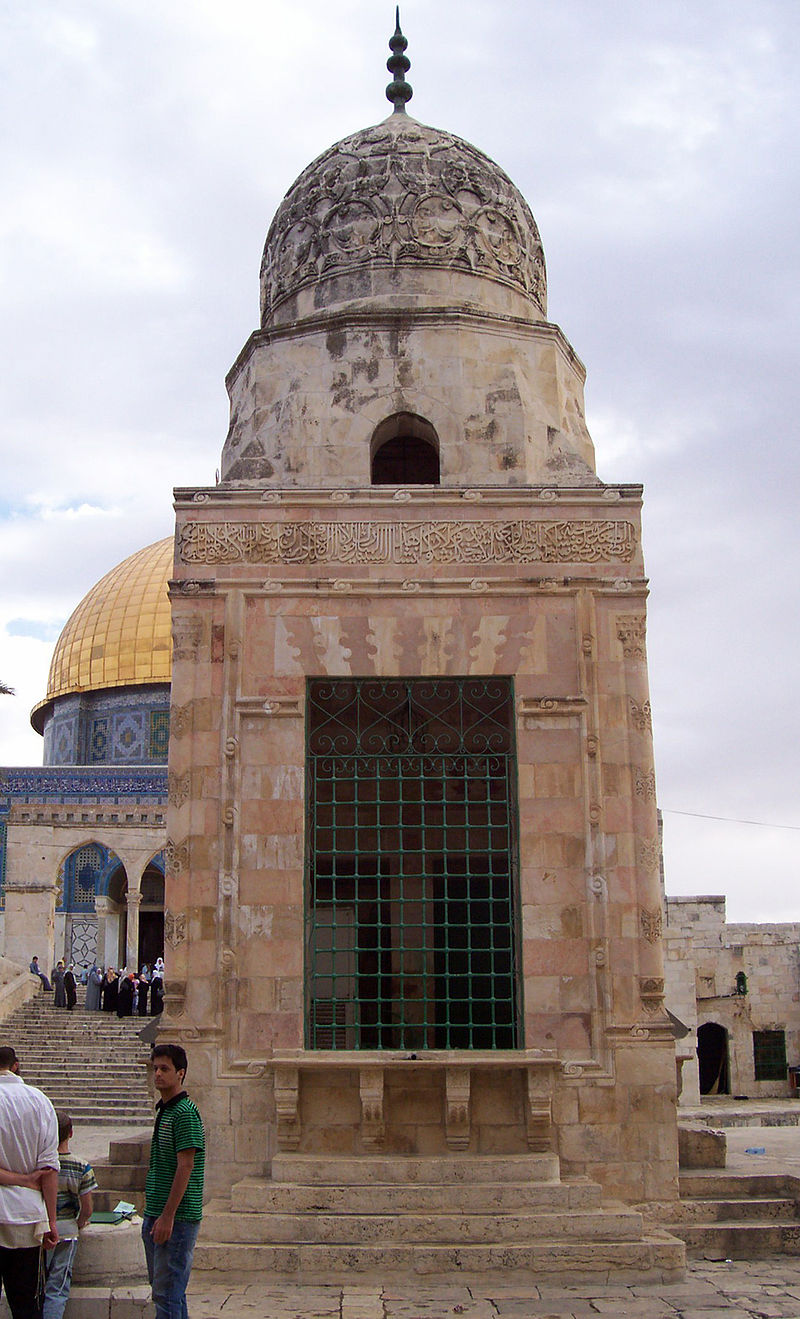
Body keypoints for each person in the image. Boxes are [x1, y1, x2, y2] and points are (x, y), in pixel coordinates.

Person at [142, 1044, 205, 1319]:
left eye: (164, 1069)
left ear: (180, 1073)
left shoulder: (184, 1113)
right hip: (157, 1213)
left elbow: (186, 1165)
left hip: (176, 1218)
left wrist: (168, 1216)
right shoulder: (165, 1110)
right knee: (168, 1294)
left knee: (167, 1296)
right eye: (155, 1068)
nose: (157, 1074)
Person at [0, 1045, 59, 1318]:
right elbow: (48, 1170)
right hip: (26, 1217)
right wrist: (52, 1221)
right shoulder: (39, 1101)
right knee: (26, 1304)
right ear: (16, 1065)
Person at [42, 1111, 97, 1319]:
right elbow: (87, 1207)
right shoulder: (82, 1166)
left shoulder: (42, 1164)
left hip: (43, 1229)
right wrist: (80, 1222)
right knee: (58, 1286)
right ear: (71, 1133)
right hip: (68, 1231)